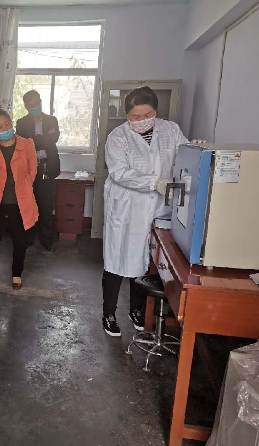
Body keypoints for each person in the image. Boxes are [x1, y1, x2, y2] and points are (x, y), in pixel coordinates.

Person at [102, 86, 188, 337]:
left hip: (158, 208)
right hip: (126, 208)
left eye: (147, 115)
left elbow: (185, 159)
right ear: (126, 115)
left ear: (156, 111)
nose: (141, 121)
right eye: (135, 117)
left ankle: (136, 310)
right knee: (117, 260)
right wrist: (154, 182)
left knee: (145, 262)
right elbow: (119, 172)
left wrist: (197, 150)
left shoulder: (171, 130)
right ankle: (109, 313)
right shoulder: (117, 137)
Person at [0, 110, 38, 290]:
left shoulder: (27, 144)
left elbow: (32, 171)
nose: (4, 128)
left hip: (20, 202)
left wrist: (23, 187)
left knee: (20, 240)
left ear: (11, 122)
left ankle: (17, 274)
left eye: (6, 123)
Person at [16, 90, 61, 252]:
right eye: (30, 105)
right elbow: (23, 144)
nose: (34, 107)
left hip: (47, 167)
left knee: (46, 205)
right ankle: (28, 238)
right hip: (29, 169)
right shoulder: (21, 123)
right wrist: (44, 138)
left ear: (40, 101)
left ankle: (47, 240)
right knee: (28, 204)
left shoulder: (51, 120)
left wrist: (35, 141)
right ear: (26, 106)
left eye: (36, 103)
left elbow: (54, 139)